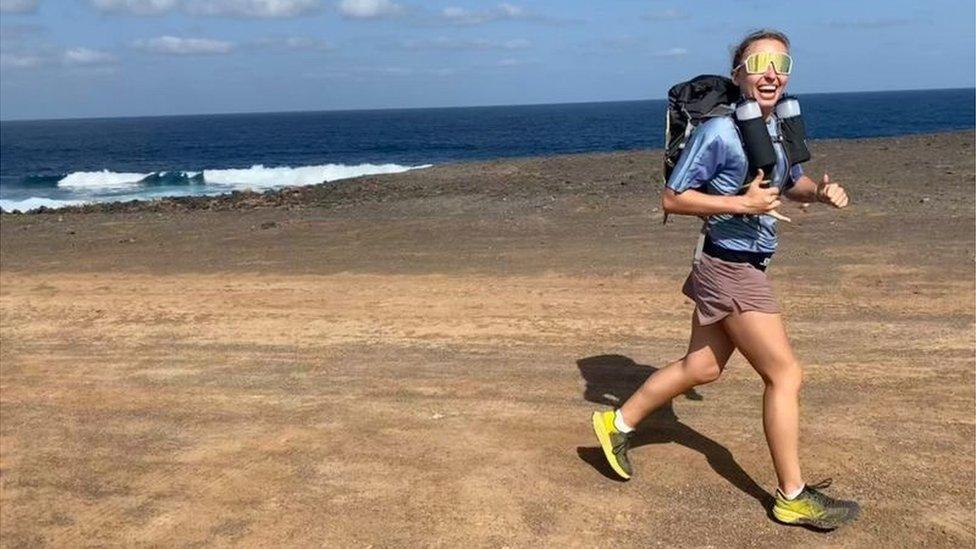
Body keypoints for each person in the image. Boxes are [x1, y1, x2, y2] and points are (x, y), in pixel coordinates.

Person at [590, 29, 860, 530]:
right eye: (759, 61)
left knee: (702, 367)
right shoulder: (717, 132)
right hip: (729, 268)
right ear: (739, 73)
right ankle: (792, 495)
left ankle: (614, 422)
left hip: (742, 265)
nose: (772, 72)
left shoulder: (775, 125)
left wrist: (819, 193)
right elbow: (673, 198)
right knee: (785, 375)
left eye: (782, 64)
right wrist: (742, 204)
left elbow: (788, 182)